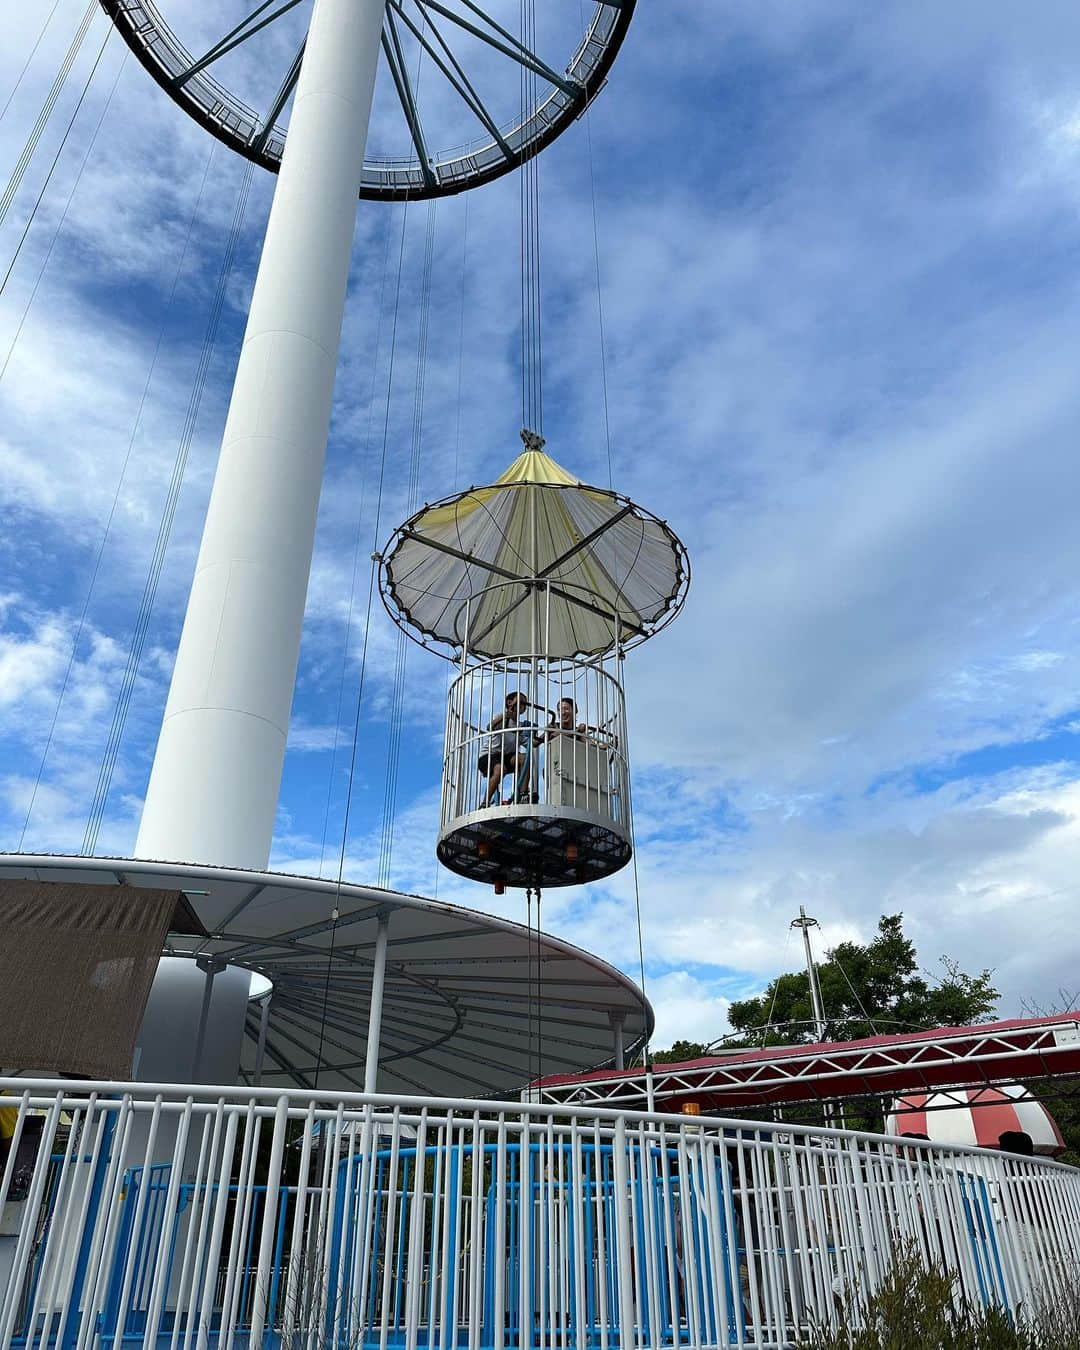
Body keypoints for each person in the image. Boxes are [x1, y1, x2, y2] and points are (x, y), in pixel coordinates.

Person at [478, 692, 532, 806]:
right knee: (500, 769)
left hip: (506, 757)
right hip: (489, 755)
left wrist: (545, 734)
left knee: (524, 759)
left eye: (525, 703)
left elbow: (532, 744)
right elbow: (490, 727)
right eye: (521, 701)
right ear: (509, 703)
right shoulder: (501, 718)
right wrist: (506, 715)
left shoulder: (520, 726)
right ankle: (485, 802)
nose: (523, 705)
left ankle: (523, 794)